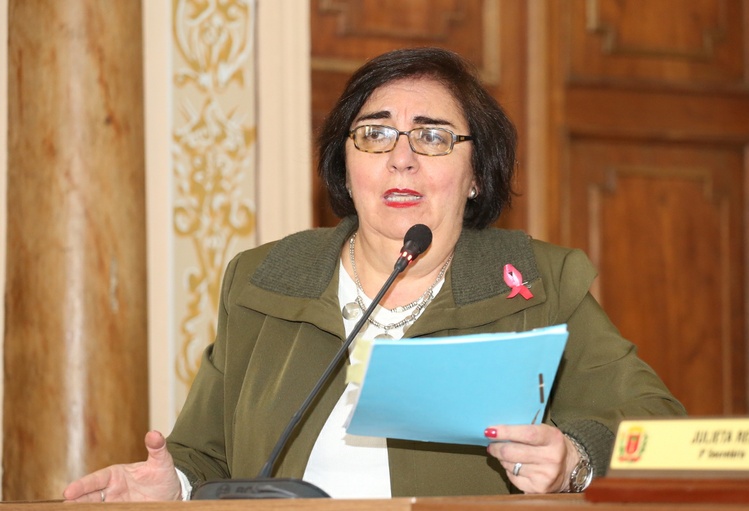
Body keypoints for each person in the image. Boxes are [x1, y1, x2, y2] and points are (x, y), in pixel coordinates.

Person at [63, 46, 685, 502]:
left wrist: (574, 460)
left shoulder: (534, 283)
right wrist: (172, 484)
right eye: (375, 133)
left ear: (476, 175)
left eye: (433, 137)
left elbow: (659, 431)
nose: (401, 158)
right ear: (346, 164)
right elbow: (205, 454)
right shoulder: (265, 281)